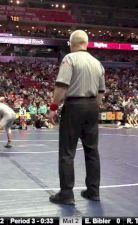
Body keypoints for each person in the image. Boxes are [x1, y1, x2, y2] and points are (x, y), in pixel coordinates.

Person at [48, 30, 106, 205]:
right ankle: (93, 191)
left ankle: (66, 194)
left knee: (67, 152)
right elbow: (101, 92)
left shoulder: (69, 59)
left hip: (74, 106)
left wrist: (53, 107)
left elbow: (61, 86)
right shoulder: (97, 63)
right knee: (92, 150)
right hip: (92, 106)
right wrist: (94, 107)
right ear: (86, 43)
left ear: (71, 43)